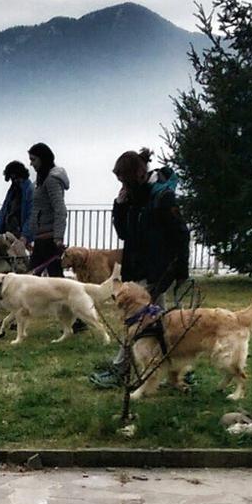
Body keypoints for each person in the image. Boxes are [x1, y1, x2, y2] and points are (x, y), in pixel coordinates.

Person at [89, 147, 191, 389]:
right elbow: (125, 233)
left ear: (137, 174)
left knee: (138, 323)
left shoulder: (162, 198)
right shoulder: (134, 199)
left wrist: (180, 271)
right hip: (138, 270)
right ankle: (177, 371)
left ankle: (121, 370)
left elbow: (181, 234)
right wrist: (119, 205)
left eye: (122, 180)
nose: (121, 185)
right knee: (163, 324)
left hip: (158, 271)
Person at [25, 143, 70, 277]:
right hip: (41, 236)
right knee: (37, 276)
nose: (31, 164)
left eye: (33, 159)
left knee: (48, 277)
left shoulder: (51, 180)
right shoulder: (42, 179)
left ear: (43, 159)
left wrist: (58, 237)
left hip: (49, 238)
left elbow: (60, 208)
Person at [0, 160, 33, 243]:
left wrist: (25, 235)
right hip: (8, 232)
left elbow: (31, 215)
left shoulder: (29, 190)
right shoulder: (13, 189)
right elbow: (5, 209)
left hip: (18, 234)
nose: (14, 181)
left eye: (15, 178)